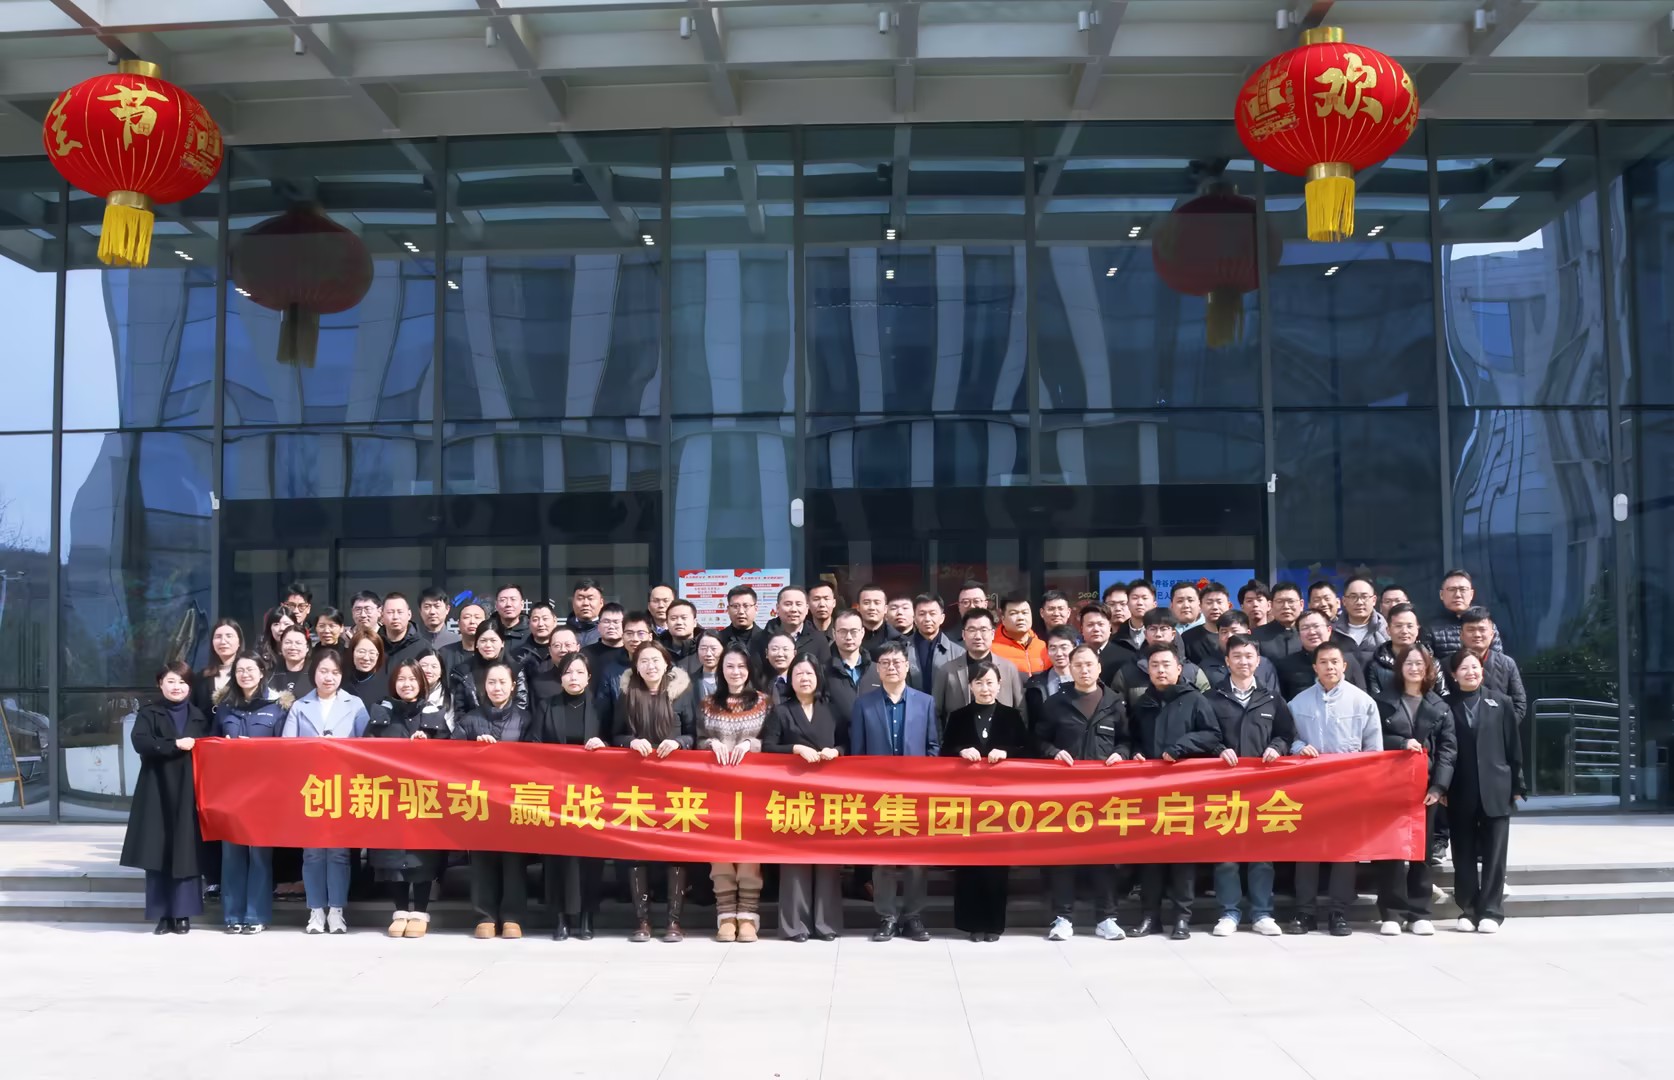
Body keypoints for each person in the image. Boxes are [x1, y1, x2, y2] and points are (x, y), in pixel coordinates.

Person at [1196, 634, 1295, 937]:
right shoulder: (1211, 698)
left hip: (1263, 788)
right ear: (1227, 661)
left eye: (1249, 656)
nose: (1243, 661)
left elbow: (1286, 734)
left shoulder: (1271, 699)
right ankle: (1229, 912)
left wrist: (1277, 747)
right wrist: (1217, 749)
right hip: (1223, 788)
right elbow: (1203, 734)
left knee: (1261, 854)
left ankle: (1262, 913)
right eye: (1237, 656)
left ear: (1258, 661)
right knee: (1226, 855)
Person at [1285, 642, 1381, 937]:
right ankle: (1305, 912)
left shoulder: (1362, 702)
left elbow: (1374, 750)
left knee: (1344, 852)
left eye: (1335, 662)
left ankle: (1339, 912)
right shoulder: (1298, 703)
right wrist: (1299, 747)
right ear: (1315, 667)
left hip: (1348, 790)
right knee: (1307, 852)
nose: (1329, 667)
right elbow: (1287, 737)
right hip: (1309, 789)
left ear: (1344, 666)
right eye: (1323, 662)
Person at [1035, 643, 1129, 941]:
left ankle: (1107, 918)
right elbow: (1037, 741)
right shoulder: (1055, 703)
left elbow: (1128, 740)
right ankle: (1062, 918)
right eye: (1078, 665)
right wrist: (1053, 752)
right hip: (1065, 795)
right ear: (1070, 668)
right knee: (1064, 858)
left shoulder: (1115, 703)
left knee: (1106, 858)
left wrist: (1122, 754)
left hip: (1105, 795)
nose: (1084, 670)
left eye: (1089, 664)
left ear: (1099, 667)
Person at [1126, 647, 1221, 940]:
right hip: (1149, 791)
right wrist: (1136, 752)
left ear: (1179, 669)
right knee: (1149, 858)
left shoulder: (1195, 699)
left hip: (1184, 791)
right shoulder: (1143, 703)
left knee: (1182, 857)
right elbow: (1132, 738)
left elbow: (1212, 735)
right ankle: (1150, 917)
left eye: (1166, 664)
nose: (1161, 670)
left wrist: (1181, 747)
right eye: (1155, 665)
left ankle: (1182, 918)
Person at [851, 640, 937, 942]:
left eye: (897, 662)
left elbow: (933, 747)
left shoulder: (925, 702)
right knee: (883, 859)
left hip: (916, 794)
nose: (891, 667)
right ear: (878, 669)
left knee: (916, 860)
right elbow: (858, 753)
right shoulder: (864, 704)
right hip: (879, 795)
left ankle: (913, 917)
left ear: (907, 666)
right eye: (885, 663)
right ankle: (886, 917)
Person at [281, 648, 371, 934]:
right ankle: (316, 910)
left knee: (339, 853)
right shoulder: (300, 706)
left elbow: (368, 747)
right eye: (323, 671)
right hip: (311, 788)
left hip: (343, 788)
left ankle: (337, 910)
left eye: (335, 672)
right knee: (313, 853)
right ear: (314, 674)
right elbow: (286, 749)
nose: (329, 677)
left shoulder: (355, 704)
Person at [941, 661, 1031, 941]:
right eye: (979, 683)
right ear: (970, 686)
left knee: (995, 865)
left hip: (1001, 803)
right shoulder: (958, 716)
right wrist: (960, 750)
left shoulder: (1011, 716)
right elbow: (944, 751)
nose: (985, 688)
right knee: (968, 864)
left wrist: (1006, 753)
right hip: (967, 802)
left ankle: (993, 925)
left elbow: (1027, 751)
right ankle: (971, 924)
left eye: (990, 682)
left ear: (1000, 685)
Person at [612, 643, 696, 942]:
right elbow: (615, 734)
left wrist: (679, 742)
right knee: (637, 851)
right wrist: (630, 742)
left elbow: (694, 734)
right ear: (636, 666)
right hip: (637, 784)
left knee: (675, 852)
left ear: (666, 663)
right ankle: (643, 921)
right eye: (644, 661)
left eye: (656, 660)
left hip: (675, 784)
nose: (650, 666)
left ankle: (674, 921)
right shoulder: (627, 695)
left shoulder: (682, 693)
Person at [122, 661, 212, 935]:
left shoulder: (199, 716)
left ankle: (182, 914)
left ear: (190, 687)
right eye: (171, 681)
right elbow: (140, 742)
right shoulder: (149, 713)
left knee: (186, 852)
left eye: (182, 682)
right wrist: (173, 744)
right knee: (157, 851)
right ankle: (162, 915)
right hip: (156, 789)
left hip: (188, 791)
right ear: (160, 684)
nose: (177, 687)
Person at [1372, 642, 1455, 938]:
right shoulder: (1381, 702)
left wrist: (1439, 785)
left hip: (1425, 789)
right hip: (1389, 786)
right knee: (1391, 850)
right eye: (1409, 663)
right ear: (1399, 667)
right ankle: (1391, 912)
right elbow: (1372, 739)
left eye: (1420, 663)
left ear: (1428, 668)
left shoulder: (1440, 706)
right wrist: (1400, 743)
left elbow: (1448, 750)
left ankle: (1420, 912)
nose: (1414, 668)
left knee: (1421, 850)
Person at [762, 655, 846, 942]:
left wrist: (837, 751)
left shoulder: (832, 709)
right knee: (795, 860)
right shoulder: (781, 711)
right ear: (791, 679)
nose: (804, 678)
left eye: (809, 673)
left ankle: (826, 924)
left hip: (828, 793)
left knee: (827, 860)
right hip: (793, 794)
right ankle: (795, 925)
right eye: (798, 674)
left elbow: (847, 742)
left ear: (818, 677)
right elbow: (768, 747)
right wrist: (795, 749)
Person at [367, 659, 449, 940]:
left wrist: (429, 746)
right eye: (401, 679)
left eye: (412, 679)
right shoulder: (381, 715)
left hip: (423, 799)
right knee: (393, 857)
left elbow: (450, 758)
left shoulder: (434, 715)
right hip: (390, 797)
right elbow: (365, 753)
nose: (407, 684)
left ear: (422, 683)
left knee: (421, 856)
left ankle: (420, 912)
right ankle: (400, 911)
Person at [452, 660, 534, 939]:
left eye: (502, 682)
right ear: (483, 686)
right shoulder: (469, 720)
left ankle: (513, 916)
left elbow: (535, 758)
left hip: (514, 801)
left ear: (513, 686)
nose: (497, 687)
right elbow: (451, 759)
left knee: (514, 861)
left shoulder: (525, 719)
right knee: (482, 860)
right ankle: (484, 916)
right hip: (480, 801)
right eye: (491, 682)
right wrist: (475, 752)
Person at [532, 652, 610, 940]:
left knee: (590, 858)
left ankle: (587, 916)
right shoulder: (546, 705)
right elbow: (533, 744)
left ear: (588, 677)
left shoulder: (601, 706)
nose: (573, 677)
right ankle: (561, 918)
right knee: (558, 858)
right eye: (568, 672)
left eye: (579, 672)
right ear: (560, 677)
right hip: (556, 793)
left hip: (591, 794)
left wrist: (603, 744)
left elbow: (617, 740)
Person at [1445, 649, 1524, 934]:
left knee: (1495, 854)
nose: (1471, 672)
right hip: (1459, 789)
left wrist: (1518, 785)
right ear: (1454, 674)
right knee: (1463, 853)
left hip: (1497, 787)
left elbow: (1513, 746)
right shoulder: (1445, 706)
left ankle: (1491, 910)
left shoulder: (1501, 702)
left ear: (1483, 670)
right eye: (1464, 668)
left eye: (1475, 667)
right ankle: (1468, 909)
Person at [700, 645, 771, 943]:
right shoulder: (708, 703)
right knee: (720, 853)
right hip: (717, 790)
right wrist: (710, 744)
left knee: (749, 853)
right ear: (721, 669)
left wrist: (751, 745)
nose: (736, 672)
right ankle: (726, 915)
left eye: (741, 666)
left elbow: (773, 739)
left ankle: (748, 916)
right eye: (729, 666)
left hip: (753, 791)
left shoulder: (764, 702)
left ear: (750, 669)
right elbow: (697, 738)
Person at [212, 651, 285, 935]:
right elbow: (211, 745)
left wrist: (256, 750)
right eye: (240, 670)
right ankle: (232, 916)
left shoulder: (276, 707)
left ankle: (256, 915)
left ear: (261, 672)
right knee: (231, 855)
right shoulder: (224, 708)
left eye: (251, 669)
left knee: (259, 855)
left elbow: (285, 750)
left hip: (263, 792)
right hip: (230, 791)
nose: (245, 674)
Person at [933, 607, 1025, 732]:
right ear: (963, 634)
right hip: (960, 741)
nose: (978, 636)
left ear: (992, 634)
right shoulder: (947, 670)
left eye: (983, 630)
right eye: (972, 630)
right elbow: (935, 713)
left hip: (1001, 741)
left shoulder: (1008, 668)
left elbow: (1021, 711)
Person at [1109, 609, 1212, 709]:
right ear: (1145, 634)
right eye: (1152, 629)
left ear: (1173, 634)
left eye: (1163, 629)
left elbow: (1206, 709)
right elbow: (1117, 711)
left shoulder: (1193, 672)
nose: (1158, 634)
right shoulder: (1127, 673)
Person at [1456, 606, 1528, 728]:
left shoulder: (1507, 664)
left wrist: (1502, 730)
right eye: (1471, 629)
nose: (1477, 634)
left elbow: (1519, 703)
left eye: (1482, 629)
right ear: (1461, 635)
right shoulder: (1449, 664)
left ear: (1492, 634)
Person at [1274, 610, 1368, 700]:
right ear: (1298, 634)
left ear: (1329, 630)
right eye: (1305, 628)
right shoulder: (1286, 665)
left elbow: (1362, 696)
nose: (1312, 632)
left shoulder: (1347, 660)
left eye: (1316, 626)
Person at [1364, 603, 1443, 699]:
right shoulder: (1375, 666)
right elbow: (1375, 700)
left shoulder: (1433, 663)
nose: (1404, 631)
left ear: (1417, 629)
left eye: (1409, 626)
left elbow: (1442, 698)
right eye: (1398, 626)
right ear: (1388, 630)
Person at [449, 624, 527, 715]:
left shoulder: (515, 668)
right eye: (483, 641)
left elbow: (521, 703)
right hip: (473, 722)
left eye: (493, 640)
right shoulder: (463, 672)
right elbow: (460, 710)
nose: (488, 645)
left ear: (502, 643)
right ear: (476, 644)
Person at [1198, 611, 1282, 695]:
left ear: (1248, 633)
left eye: (1234, 631)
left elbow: (1273, 697)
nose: (1229, 636)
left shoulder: (1264, 665)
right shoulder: (1206, 666)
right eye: (1224, 632)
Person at [825, 610, 883, 724]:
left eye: (854, 631)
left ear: (862, 633)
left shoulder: (878, 670)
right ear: (834, 634)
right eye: (843, 631)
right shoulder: (824, 671)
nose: (848, 637)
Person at [1023, 626, 1077, 735]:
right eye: (1053, 648)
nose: (1059, 653)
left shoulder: (1086, 681)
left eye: (1064, 647)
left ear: (1074, 648)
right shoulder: (1035, 684)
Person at [906, 593, 964, 693]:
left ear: (942, 618)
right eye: (922, 614)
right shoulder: (902, 649)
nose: (927, 619)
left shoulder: (958, 653)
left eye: (932, 614)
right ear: (914, 618)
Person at [759, 585, 830, 667]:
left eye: (798, 604)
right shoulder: (762, 638)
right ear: (777, 608)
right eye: (788, 604)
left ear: (807, 608)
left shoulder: (819, 640)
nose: (793, 609)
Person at [1334, 576, 1389, 672]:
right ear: (1344, 601)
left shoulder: (1386, 632)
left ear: (1374, 600)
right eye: (1353, 597)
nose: (1359, 602)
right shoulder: (1333, 633)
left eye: (1364, 597)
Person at [194, 617, 244, 716]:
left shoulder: (247, 674)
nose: (223, 641)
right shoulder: (202, 677)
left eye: (229, 636)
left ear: (239, 642)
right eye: (218, 637)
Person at [992, 591, 1049, 675]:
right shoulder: (993, 650)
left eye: (1025, 613)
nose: (1021, 618)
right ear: (1003, 619)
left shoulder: (1042, 646)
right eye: (1013, 613)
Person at [342, 626, 388, 716]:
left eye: (372, 653)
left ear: (378, 655)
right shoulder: (341, 680)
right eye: (361, 651)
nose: (366, 658)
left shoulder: (386, 685)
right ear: (352, 652)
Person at [1254, 582, 1305, 660]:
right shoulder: (1256, 636)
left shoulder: (1310, 634)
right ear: (1271, 605)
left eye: (1291, 601)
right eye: (1280, 601)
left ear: (1301, 605)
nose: (1286, 606)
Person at [266, 625, 313, 702]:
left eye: (298, 643)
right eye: (288, 642)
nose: (293, 647)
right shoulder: (270, 673)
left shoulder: (315, 672)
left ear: (307, 647)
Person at [717, 585, 769, 654]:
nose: (741, 611)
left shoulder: (767, 639)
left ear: (756, 609)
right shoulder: (719, 640)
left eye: (746, 606)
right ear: (728, 610)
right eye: (735, 606)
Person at [439, 600, 487, 675]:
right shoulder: (444, 653)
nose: (472, 621)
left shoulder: (492, 652)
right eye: (466, 617)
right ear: (459, 624)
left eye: (477, 617)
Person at [380, 592, 426, 669]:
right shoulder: (374, 645)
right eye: (390, 612)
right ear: (382, 616)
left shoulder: (423, 647)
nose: (395, 617)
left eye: (400, 612)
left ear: (409, 615)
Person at [512, 599, 560, 672]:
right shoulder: (519, 654)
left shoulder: (563, 650)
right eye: (535, 620)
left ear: (555, 621)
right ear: (529, 623)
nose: (540, 624)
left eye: (545, 619)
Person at [414, 649, 454, 731]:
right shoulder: (406, 692)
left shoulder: (450, 698)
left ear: (441, 672)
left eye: (434, 666)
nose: (428, 670)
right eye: (423, 665)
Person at [855, 583, 899, 657]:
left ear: (885, 609)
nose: (872, 607)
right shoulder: (849, 638)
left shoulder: (898, 639)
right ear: (858, 607)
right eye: (866, 603)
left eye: (877, 603)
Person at [415, 586, 460, 650]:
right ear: (420, 610)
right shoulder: (412, 642)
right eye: (427, 607)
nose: (432, 612)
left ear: (447, 609)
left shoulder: (458, 641)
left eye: (437, 606)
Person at [759, 633, 798, 703]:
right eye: (774, 649)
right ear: (767, 653)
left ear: (794, 653)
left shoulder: (800, 681)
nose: (780, 654)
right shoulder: (758, 683)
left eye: (785, 649)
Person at [687, 630, 725, 700]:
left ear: (723, 650)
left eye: (713, 649)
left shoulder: (732, 679)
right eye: (703, 648)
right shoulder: (687, 682)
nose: (708, 654)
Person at [567, 578, 605, 645]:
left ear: (601, 602)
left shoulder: (607, 632)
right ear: (573, 602)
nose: (585, 603)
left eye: (590, 598)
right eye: (580, 598)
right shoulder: (563, 633)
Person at [664, 598, 701, 665]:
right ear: (667, 623)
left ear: (694, 622)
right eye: (673, 618)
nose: (679, 622)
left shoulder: (705, 648)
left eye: (684, 618)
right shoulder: (659, 650)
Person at [1119, 579, 1155, 649]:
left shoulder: (1165, 633)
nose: (1140, 603)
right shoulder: (1118, 635)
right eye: (1135, 598)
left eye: (1145, 598)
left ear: (1154, 604)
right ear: (1127, 603)